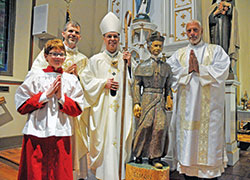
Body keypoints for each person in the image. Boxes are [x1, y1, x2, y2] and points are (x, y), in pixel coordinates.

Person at [168, 20, 230, 179]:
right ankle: (188, 172)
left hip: (209, 114)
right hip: (187, 111)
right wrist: (187, 69)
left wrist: (200, 69)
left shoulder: (215, 51)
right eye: (189, 31)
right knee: (188, 146)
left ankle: (210, 174)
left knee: (209, 146)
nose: (192, 34)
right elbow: (170, 74)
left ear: (201, 31)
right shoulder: (180, 54)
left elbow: (222, 70)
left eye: (195, 30)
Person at [15, 39, 84, 180]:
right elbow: (21, 106)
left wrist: (61, 98)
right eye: (54, 54)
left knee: (60, 172)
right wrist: (45, 96)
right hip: (36, 131)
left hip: (61, 132)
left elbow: (77, 109)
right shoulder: (35, 76)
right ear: (46, 56)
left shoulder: (71, 80)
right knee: (36, 172)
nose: (58, 57)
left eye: (61, 54)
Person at [79, 12, 134, 180]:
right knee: (102, 139)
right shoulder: (95, 60)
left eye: (115, 36)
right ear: (104, 38)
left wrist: (130, 65)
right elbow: (85, 81)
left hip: (121, 109)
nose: (112, 39)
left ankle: (119, 173)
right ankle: (102, 173)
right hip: (102, 110)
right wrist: (104, 83)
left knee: (120, 138)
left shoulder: (125, 59)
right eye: (109, 36)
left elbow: (133, 81)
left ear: (119, 38)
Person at [31, 20, 88, 180]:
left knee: (74, 142)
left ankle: (74, 175)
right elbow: (35, 73)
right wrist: (60, 74)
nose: (73, 35)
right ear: (63, 33)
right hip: (50, 106)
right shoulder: (50, 51)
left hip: (70, 108)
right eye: (70, 31)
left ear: (80, 37)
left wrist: (77, 77)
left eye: (76, 32)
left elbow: (88, 86)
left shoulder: (83, 59)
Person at [132, 31, 172, 169]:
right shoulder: (142, 66)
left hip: (160, 99)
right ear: (149, 47)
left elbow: (169, 86)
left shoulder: (166, 67)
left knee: (160, 127)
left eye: (160, 46)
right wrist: (136, 103)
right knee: (145, 126)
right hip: (147, 98)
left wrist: (169, 98)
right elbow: (136, 85)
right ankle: (138, 154)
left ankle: (155, 157)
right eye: (155, 45)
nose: (157, 48)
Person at [204, 0, 239, 77]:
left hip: (225, 30)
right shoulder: (213, 6)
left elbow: (233, 14)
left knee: (225, 47)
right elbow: (209, 20)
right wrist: (216, 12)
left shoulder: (229, 4)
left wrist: (228, 7)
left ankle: (226, 67)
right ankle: (216, 67)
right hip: (214, 31)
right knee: (215, 50)